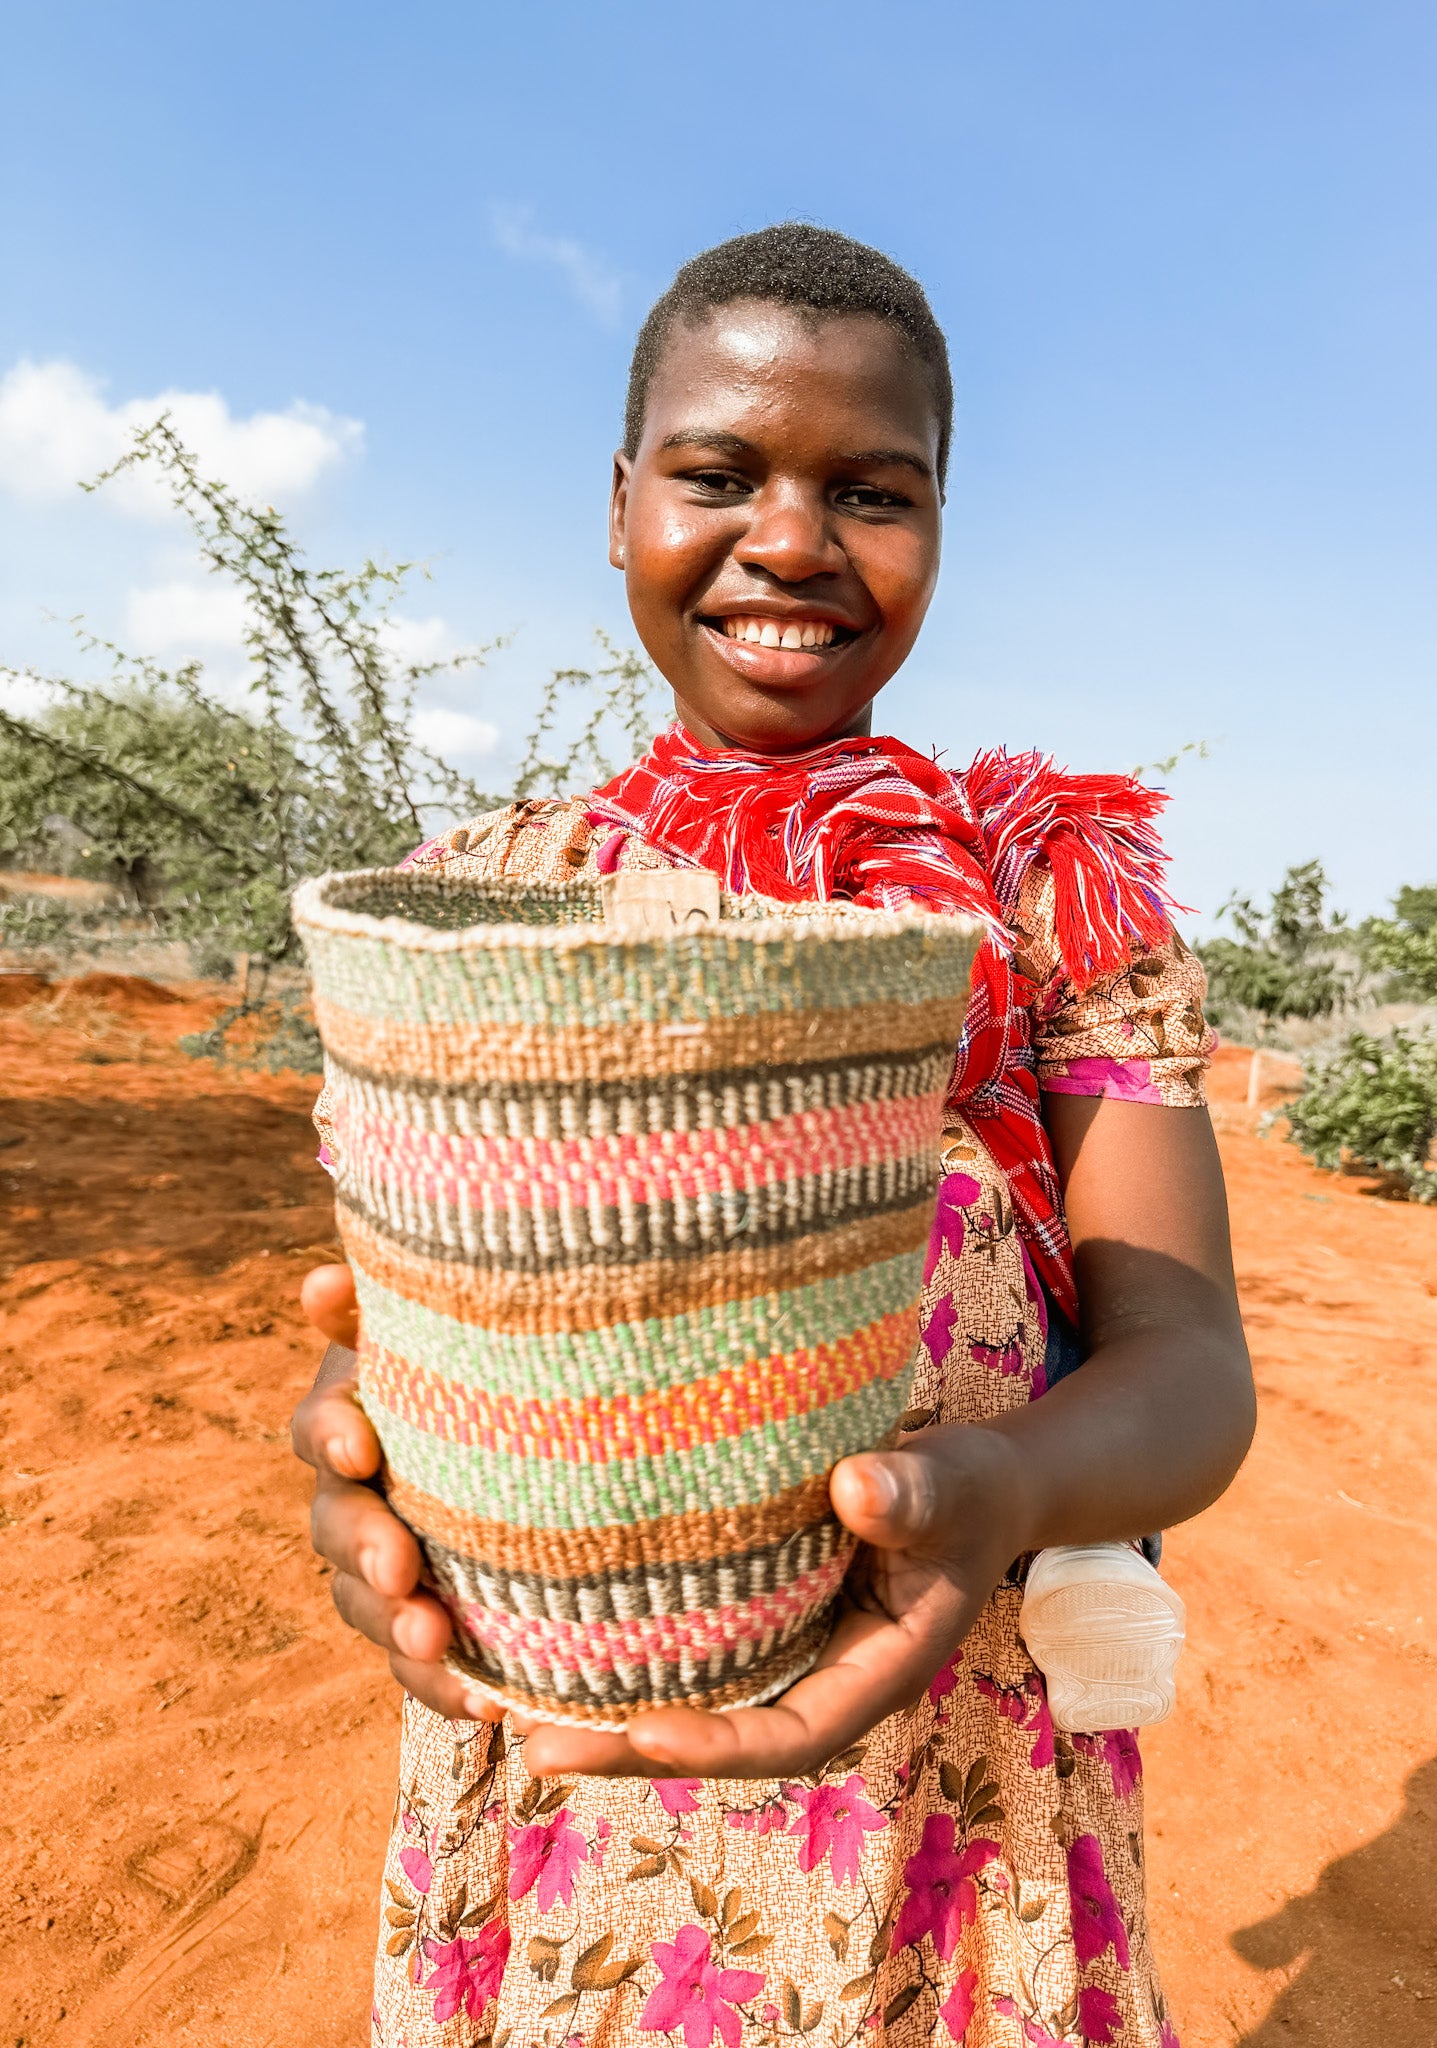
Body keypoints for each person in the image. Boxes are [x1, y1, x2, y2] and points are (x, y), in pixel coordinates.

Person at [293, 224, 1255, 2048]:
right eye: (718, 475)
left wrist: (1000, 1492)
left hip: (950, 1762)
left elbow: (1190, 1366)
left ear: (942, 527)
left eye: (872, 492)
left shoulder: (1052, 897)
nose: (794, 542)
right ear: (618, 503)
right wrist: (352, 1466)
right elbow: (389, 1324)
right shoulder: (482, 912)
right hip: (568, 1762)